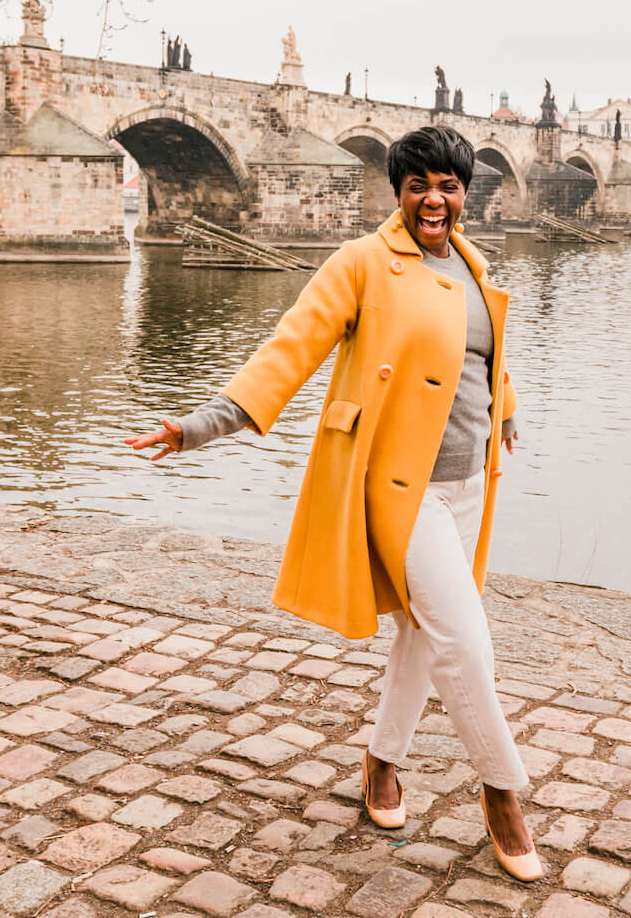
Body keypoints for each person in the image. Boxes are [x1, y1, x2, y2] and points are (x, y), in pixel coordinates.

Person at [124, 124, 541, 881]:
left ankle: (382, 762)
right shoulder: (361, 263)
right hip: (400, 487)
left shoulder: (474, 264)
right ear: (398, 193)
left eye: (448, 186)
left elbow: (483, 358)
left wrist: (506, 413)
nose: (434, 201)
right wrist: (200, 425)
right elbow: (289, 350)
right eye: (418, 186)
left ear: (464, 194)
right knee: (464, 640)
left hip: (469, 484)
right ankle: (502, 791)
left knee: (423, 633)